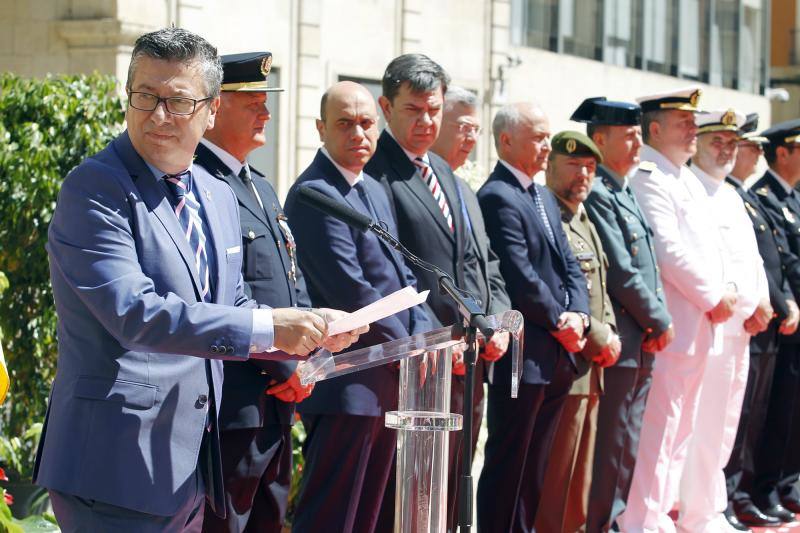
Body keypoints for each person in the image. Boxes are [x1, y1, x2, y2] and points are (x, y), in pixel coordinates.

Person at [33, 28, 363, 532]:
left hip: (194, 466)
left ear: (210, 111)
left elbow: (230, 301)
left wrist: (309, 331)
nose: (160, 115)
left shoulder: (214, 192)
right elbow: (135, 312)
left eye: (179, 101)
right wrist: (274, 328)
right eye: (147, 96)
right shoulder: (95, 188)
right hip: (114, 468)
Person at [285, 81, 433, 533]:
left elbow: (403, 273)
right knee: (334, 515)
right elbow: (353, 290)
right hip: (347, 382)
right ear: (320, 128)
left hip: (384, 378)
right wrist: (410, 344)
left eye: (367, 123)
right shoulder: (316, 193)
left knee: (367, 515)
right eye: (345, 123)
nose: (359, 134)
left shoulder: (369, 187)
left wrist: (425, 335)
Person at [194, 52, 311, 533]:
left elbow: (290, 274)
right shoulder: (199, 180)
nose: (266, 112)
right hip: (235, 397)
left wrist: (305, 355)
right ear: (216, 107)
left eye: (267, 102)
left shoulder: (260, 186)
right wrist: (286, 362)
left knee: (268, 520)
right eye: (254, 103)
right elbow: (223, 289)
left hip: (278, 400)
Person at [618, 87, 736, 533]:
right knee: (658, 427)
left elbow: (711, 250)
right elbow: (669, 252)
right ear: (654, 129)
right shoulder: (649, 176)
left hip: (699, 324)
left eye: (693, 122)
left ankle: (660, 513)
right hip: (672, 323)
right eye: (683, 123)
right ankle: (640, 520)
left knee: (682, 425)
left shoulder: (683, 177)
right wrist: (713, 296)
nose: (693, 130)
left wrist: (723, 291)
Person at [476, 102, 590, 532]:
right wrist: (561, 321)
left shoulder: (541, 195)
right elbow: (519, 277)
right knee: (510, 464)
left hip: (555, 355)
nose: (547, 146)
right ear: (507, 141)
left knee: (537, 465)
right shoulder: (497, 195)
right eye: (538, 137)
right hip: (523, 358)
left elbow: (568, 263)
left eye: (547, 137)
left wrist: (579, 313)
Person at [574, 97, 673, 533]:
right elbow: (620, 270)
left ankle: (611, 521)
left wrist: (656, 319)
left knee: (626, 444)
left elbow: (647, 267)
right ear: (599, 140)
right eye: (629, 136)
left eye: (639, 135)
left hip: (640, 339)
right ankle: (598, 524)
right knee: (610, 445)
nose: (638, 144)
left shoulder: (622, 189)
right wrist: (658, 319)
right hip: (624, 339)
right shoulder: (598, 192)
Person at [681, 109, 770, 533]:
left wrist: (762, 302)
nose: (727, 149)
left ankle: (712, 507)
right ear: (697, 142)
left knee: (727, 421)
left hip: (741, 330)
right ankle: (695, 512)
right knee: (701, 422)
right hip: (711, 323)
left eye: (733, 142)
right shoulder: (690, 188)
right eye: (718, 140)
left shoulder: (732, 194)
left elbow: (750, 258)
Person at [430, 85, 511, 530]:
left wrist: (496, 321)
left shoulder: (464, 189)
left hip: (475, 356)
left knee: (462, 466)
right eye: (462, 127)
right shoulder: (411, 183)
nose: (471, 139)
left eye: (476, 130)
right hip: (436, 359)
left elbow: (488, 266)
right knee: (431, 478)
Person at [535, 131, 620, 533]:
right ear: (549, 165)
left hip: (592, 369)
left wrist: (611, 333)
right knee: (556, 480)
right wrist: (604, 337)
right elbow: (559, 292)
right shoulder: (548, 217)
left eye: (590, 168)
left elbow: (600, 287)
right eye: (573, 165)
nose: (583, 174)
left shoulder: (585, 219)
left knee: (579, 482)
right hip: (566, 363)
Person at [723, 114, 798, 529]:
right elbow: (773, 264)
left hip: (773, 318)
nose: (747, 152)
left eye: (748, 145)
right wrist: (783, 301)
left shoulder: (748, 198)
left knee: (769, 412)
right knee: (747, 415)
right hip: (752, 321)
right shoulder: (753, 196)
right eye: (741, 144)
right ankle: (739, 492)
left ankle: (762, 488)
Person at [749, 118, 800, 524]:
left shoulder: (794, 198)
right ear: (781, 151)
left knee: (793, 410)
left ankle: (788, 483)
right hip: (785, 320)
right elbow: (782, 263)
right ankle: (763, 487)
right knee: (775, 410)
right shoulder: (762, 197)